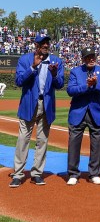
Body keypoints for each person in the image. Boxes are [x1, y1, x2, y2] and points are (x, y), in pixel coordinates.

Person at [10, 34, 64, 187]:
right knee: (23, 140)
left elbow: (59, 84)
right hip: (28, 104)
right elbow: (19, 81)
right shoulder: (25, 59)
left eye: (47, 43)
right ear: (36, 44)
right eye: (42, 43)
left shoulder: (56, 61)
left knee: (42, 140)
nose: (45, 45)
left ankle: (37, 173)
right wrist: (33, 67)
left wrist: (54, 75)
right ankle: (18, 174)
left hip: (46, 104)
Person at [66, 47, 100, 185]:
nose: (91, 59)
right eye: (88, 57)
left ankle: (94, 173)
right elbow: (70, 90)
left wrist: (96, 85)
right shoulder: (75, 71)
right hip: (78, 112)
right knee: (74, 143)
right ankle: (73, 173)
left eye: (93, 56)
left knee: (97, 144)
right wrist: (86, 86)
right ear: (83, 59)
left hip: (96, 112)